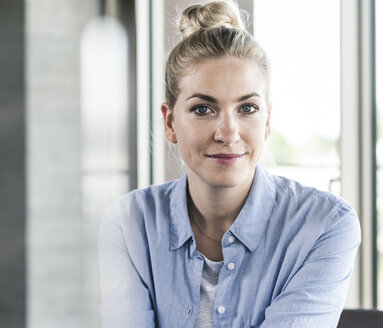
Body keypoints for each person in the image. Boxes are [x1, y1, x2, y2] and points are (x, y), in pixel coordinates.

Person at [98, 1, 361, 327]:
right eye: (202, 109)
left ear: (267, 122)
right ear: (169, 123)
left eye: (247, 108)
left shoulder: (324, 225)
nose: (227, 133)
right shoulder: (128, 225)